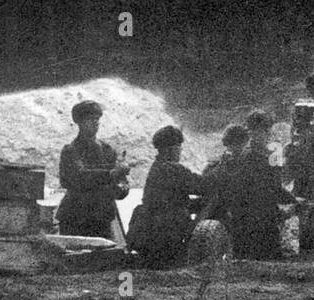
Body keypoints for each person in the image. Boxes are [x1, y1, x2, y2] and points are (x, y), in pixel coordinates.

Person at [128, 125, 207, 268]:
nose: (180, 151)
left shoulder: (156, 167)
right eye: (179, 147)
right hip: (169, 233)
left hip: (150, 232)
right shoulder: (174, 170)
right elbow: (204, 186)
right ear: (171, 149)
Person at [54, 100, 129, 238]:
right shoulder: (71, 151)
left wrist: (121, 188)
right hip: (76, 218)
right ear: (80, 123)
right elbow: (78, 177)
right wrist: (112, 174)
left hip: (103, 219)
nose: (95, 123)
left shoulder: (108, 150)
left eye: (97, 119)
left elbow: (121, 186)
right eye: (90, 119)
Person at [228, 110, 297, 260]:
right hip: (257, 218)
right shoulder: (252, 155)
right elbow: (274, 187)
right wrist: (294, 202)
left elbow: (277, 182)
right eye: (261, 130)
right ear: (250, 131)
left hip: (252, 217)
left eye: (266, 130)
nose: (265, 134)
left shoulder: (272, 151)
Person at [200, 124, 250, 224]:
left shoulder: (251, 162)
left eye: (240, 144)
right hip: (222, 211)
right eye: (234, 144)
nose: (237, 148)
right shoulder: (217, 164)